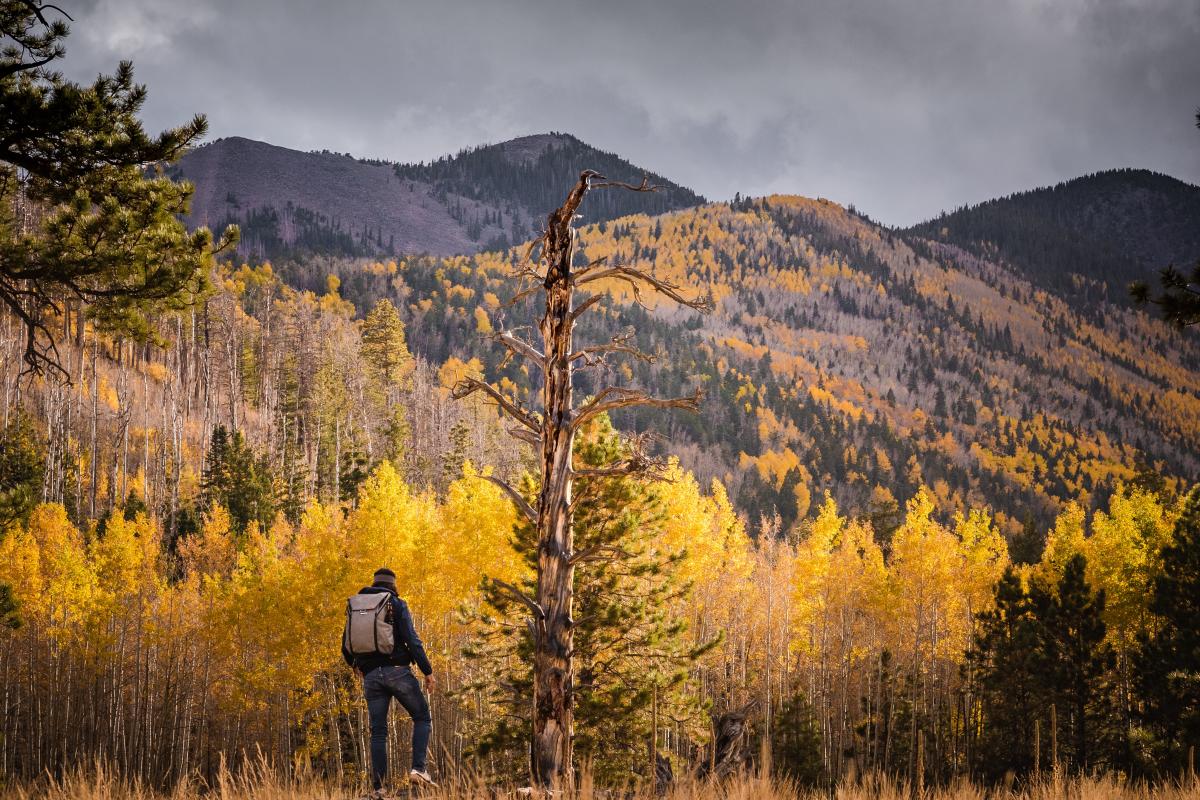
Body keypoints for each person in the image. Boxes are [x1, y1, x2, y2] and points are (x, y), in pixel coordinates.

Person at [342, 567, 436, 794]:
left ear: (374, 584)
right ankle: (418, 769)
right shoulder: (396, 604)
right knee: (422, 717)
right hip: (397, 671)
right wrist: (427, 671)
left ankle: (379, 789)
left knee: (378, 732)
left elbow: (345, 646)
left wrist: (357, 665)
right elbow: (413, 641)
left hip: (371, 676)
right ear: (393, 585)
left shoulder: (356, 605)